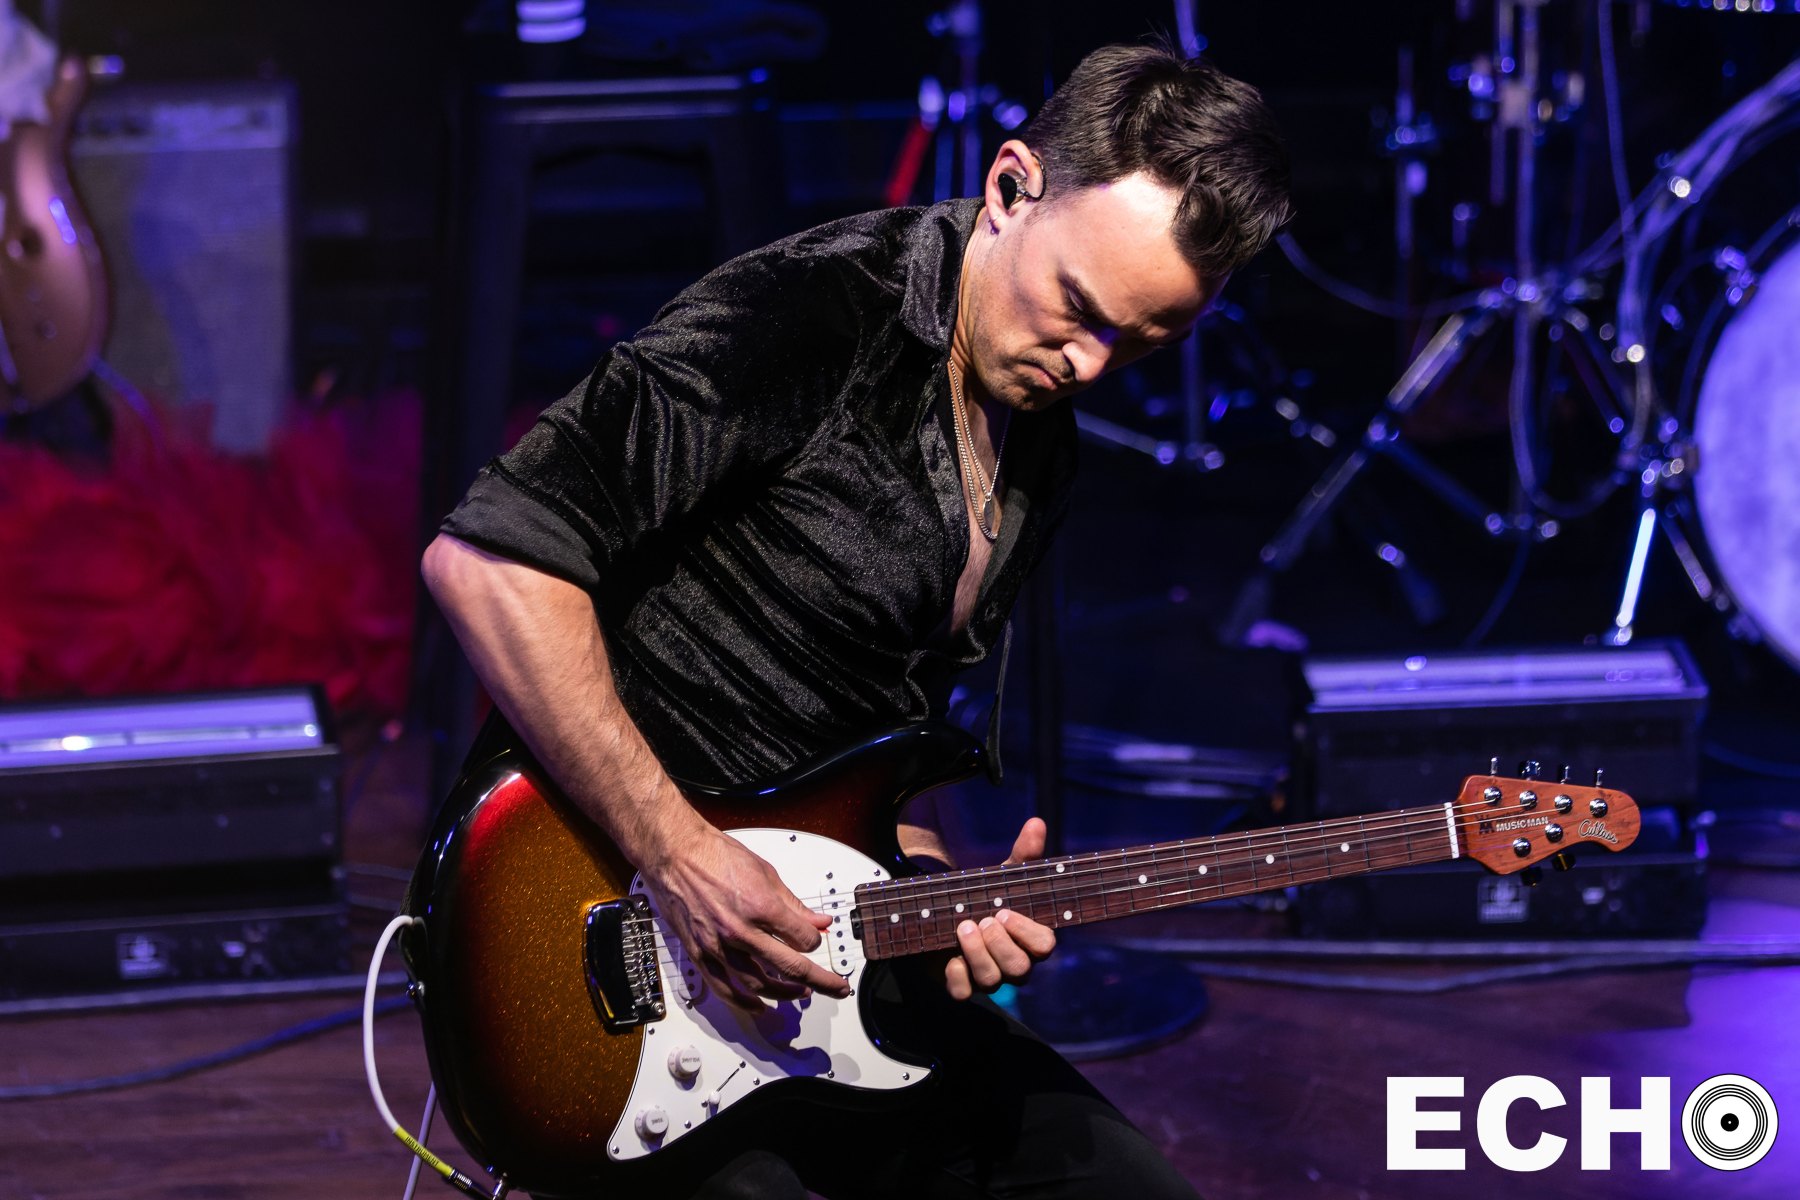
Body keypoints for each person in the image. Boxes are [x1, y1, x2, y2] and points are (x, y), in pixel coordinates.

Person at [424, 38, 1291, 1200]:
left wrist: (944, 903)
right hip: (611, 940)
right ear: (1010, 187)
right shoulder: (809, 315)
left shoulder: (1041, 441)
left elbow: (890, 743)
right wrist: (677, 852)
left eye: (1142, 340)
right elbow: (488, 561)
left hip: (822, 987)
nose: (1091, 365)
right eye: (1080, 308)